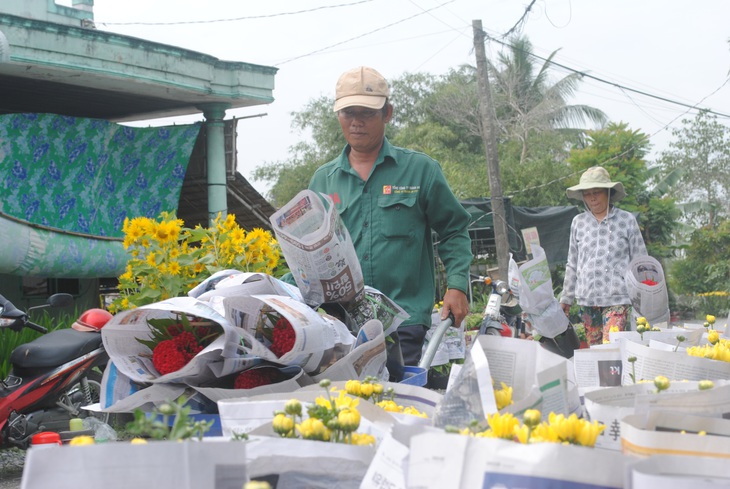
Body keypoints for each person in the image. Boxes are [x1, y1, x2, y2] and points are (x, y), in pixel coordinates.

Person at [308, 66, 473, 378]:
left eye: (366, 113)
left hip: (403, 323)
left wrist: (456, 286)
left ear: (387, 114)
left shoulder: (420, 171)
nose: (355, 122)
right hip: (340, 328)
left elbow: (454, 230)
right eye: (347, 113)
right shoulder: (322, 179)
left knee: (396, 406)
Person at [559, 166, 647, 345]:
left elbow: (640, 260)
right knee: (595, 351)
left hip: (617, 298)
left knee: (611, 346)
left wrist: (643, 300)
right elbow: (573, 263)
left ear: (608, 192)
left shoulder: (626, 220)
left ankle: (616, 373)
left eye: (597, 192)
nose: (592, 198)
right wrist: (566, 298)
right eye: (587, 193)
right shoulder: (579, 223)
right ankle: (599, 374)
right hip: (587, 299)